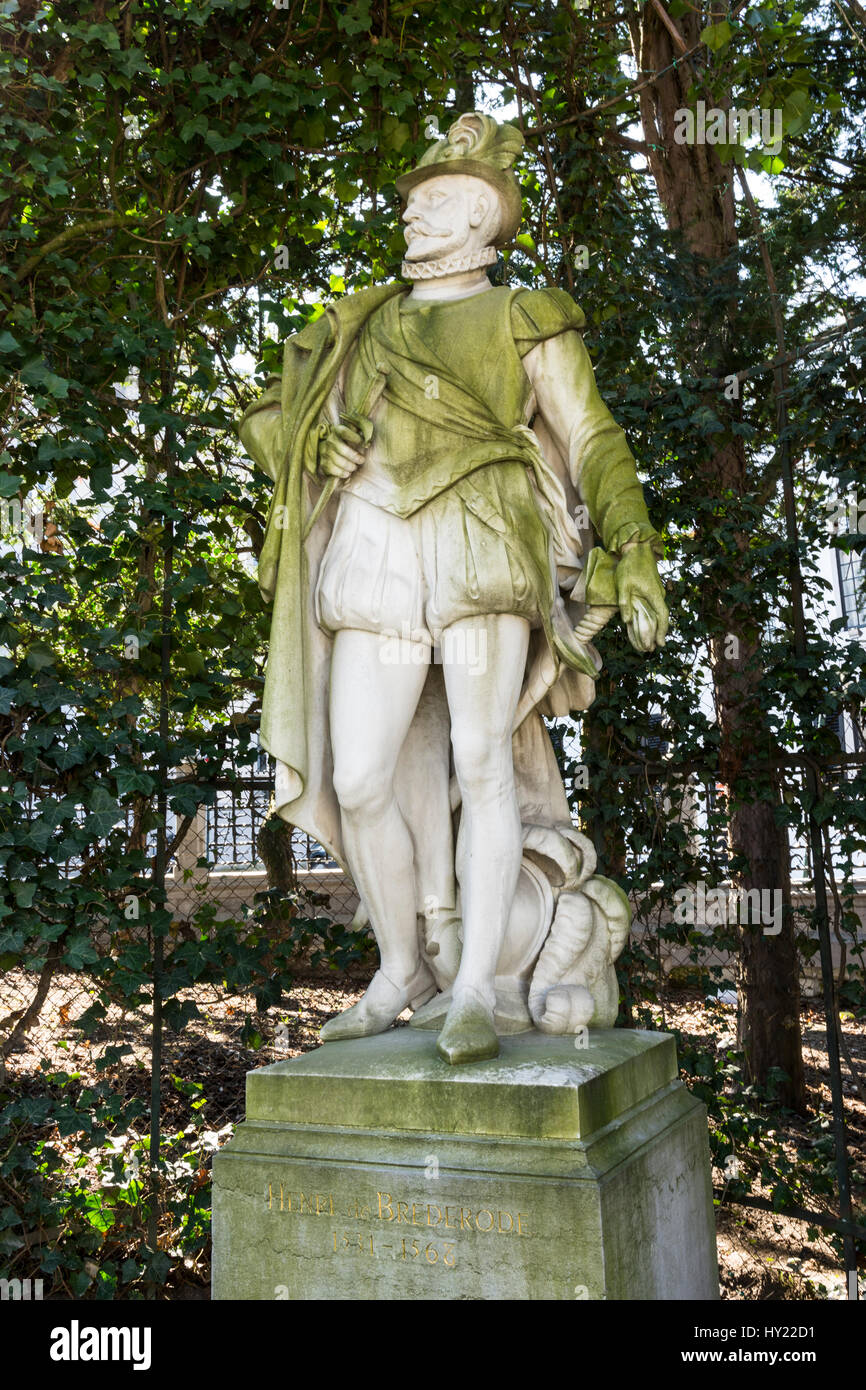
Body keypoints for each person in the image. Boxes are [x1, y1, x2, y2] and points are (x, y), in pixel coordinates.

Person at [238, 113, 668, 1063]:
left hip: (482, 531)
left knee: (481, 758)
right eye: (410, 204)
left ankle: (477, 986)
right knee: (358, 775)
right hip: (377, 536)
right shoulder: (366, 325)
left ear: (480, 217)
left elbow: (589, 434)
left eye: (430, 204)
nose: (410, 219)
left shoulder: (526, 313)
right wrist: (324, 444)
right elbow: (288, 428)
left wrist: (633, 538)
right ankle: (401, 965)